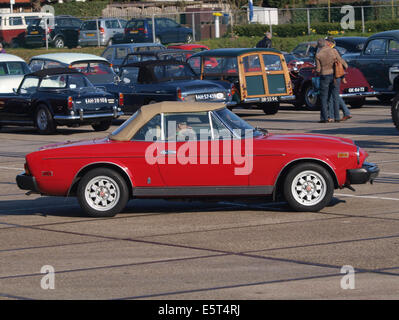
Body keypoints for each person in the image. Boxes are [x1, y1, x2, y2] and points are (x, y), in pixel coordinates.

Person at [315, 38, 348, 123]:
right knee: (335, 97)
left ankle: (324, 118)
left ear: (319, 46)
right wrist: (345, 67)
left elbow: (318, 69)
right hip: (335, 76)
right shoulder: (333, 51)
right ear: (326, 44)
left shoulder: (318, 55)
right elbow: (341, 61)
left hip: (324, 76)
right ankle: (337, 117)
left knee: (324, 98)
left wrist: (316, 72)